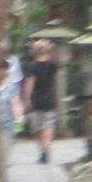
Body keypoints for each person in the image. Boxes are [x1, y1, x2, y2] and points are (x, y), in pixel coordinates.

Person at [20, 35, 64, 163]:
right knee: (49, 125)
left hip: (36, 100)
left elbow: (29, 83)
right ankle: (47, 147)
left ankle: (42, 150)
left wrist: (26, 99)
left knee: (38, 128)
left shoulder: (32, 66)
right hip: (49, 98)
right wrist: (53, 50)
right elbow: (59, 64)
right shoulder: (51, 65)